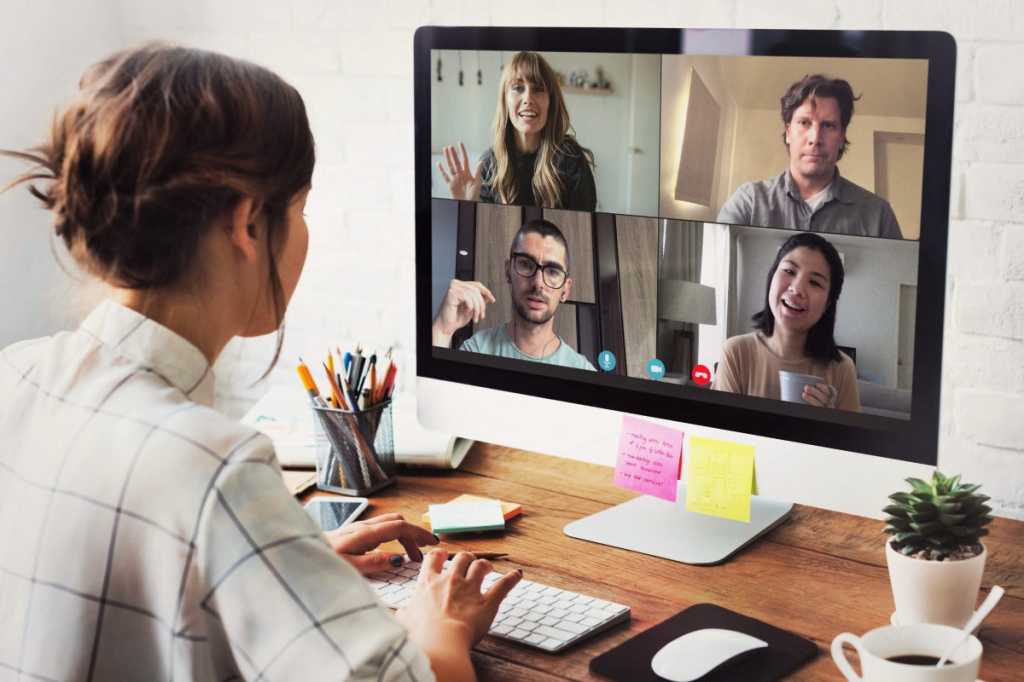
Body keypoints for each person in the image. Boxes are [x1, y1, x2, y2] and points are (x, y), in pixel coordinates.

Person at [0, 44, 520, 682]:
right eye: (300, 209)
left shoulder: (14, 376)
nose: (303, 232)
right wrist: (441, 628)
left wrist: (279, 563)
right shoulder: (215, 469)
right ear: (248, 223)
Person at [717, 74, 903, 239]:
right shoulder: (749, 202)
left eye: (828, 125)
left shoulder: (879, 215)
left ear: (842, 136)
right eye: (805, 122)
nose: (815, 139)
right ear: (788, 132)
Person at [713, 232, 861, 411]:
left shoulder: (842, 369)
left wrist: (826, 422)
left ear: (828, 303)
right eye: (789, 271)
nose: (797, 289)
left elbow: (849, 439)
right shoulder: (736, 352)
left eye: (814, 282)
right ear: (772, 277)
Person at [438, 51, 597, 211]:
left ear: (551, 102)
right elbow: (484, 234)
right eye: (518, 88)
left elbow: (583, 230)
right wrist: (466, 207)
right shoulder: (489, 164)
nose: (528, 98)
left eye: (538, 89)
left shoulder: (571, 158)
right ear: (505, 101)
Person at [432, 218, 596, 371]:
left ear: (565, 290)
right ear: (508, 271)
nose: (538, 283)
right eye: (525, 264)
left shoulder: (583, 370)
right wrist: (442, 330)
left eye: (552, 271)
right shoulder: (476, 349)